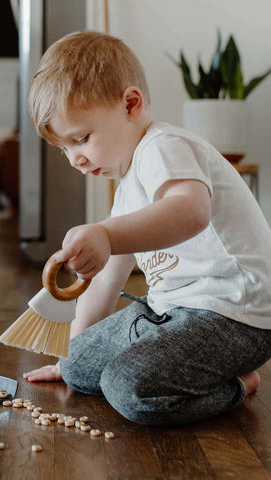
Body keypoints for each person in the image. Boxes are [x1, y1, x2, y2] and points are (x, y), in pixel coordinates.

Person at [22, 31, 271, 425]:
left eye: (82, 139)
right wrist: (73, 353)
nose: (75, 159)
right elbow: (105, 279)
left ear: (131, 104)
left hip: (233, 315)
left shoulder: (164, 146)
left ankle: (240, 384)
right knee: (78, 368)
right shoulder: (128, 186)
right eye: (65, 149)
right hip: (171, 312)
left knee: (129, 389)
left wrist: (107, 235)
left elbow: (191, 212)